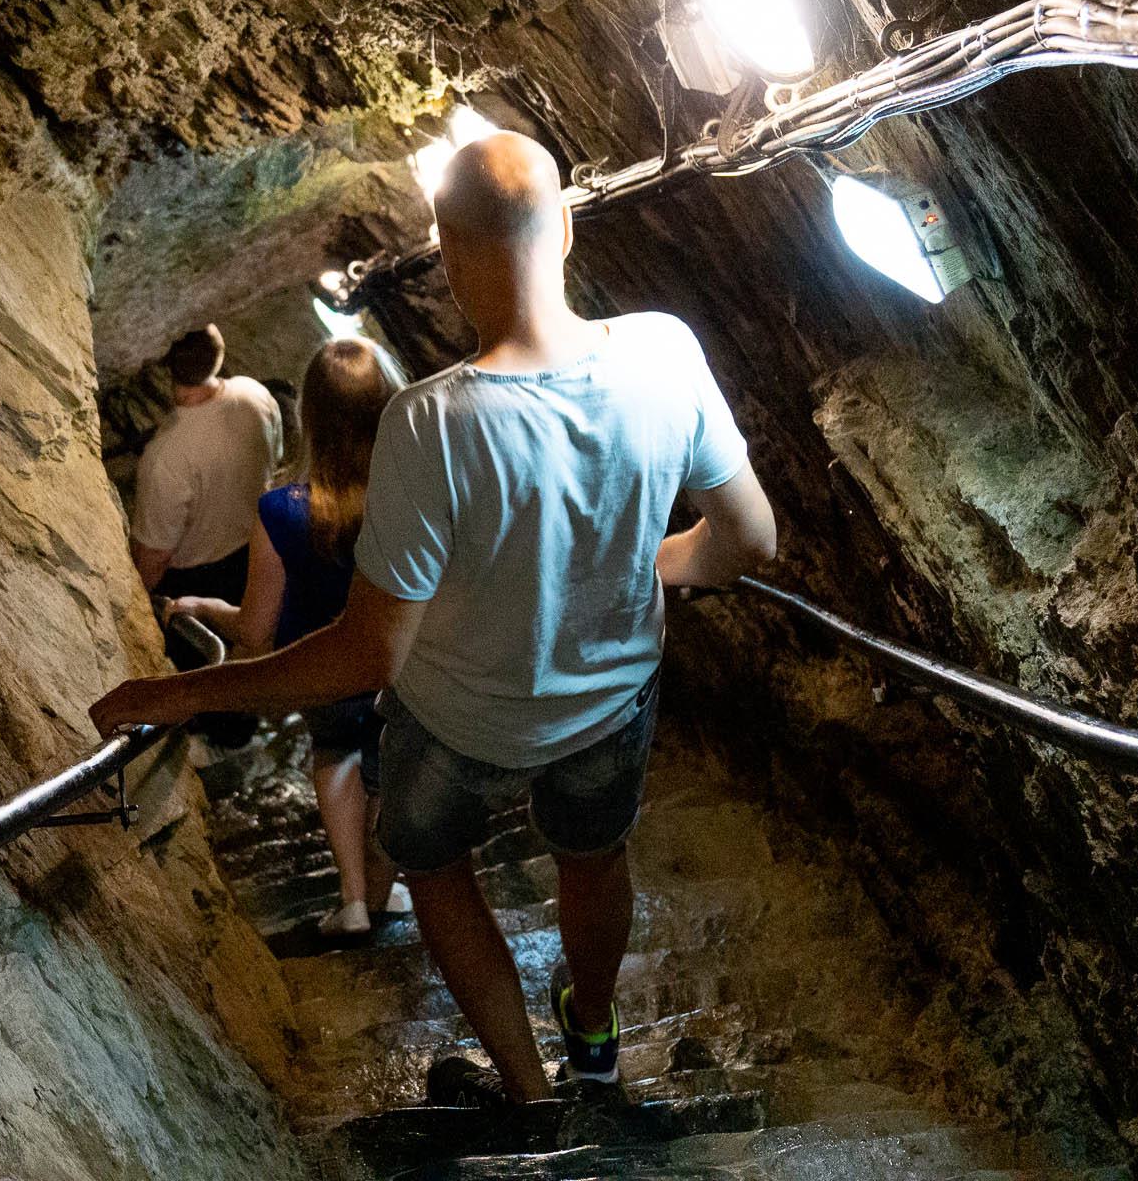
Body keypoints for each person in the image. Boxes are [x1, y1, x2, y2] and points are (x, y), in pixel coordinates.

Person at [91, 132, 776, 1105]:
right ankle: (593, 1034)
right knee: (592, 854)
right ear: (569, 227)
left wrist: (180, 692)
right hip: (611, 705)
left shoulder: (433, 422)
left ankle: (533, 1099)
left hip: (458, 722)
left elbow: (368, 652)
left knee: (439, 869)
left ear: (447, 255)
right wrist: (658, 562)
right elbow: (749, 540)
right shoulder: (665, 353)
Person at [171, 337, 414, 941]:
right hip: (403, 661)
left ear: (310, 420)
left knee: (336, 757)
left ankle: (354, 901)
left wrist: (203, 607)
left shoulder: (281, 511)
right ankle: (386, 893)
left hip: (325, 667)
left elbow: (254, 628)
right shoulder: (415, 489)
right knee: (387, 764)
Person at [130, 324, 282, 747]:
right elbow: (276, 459)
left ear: (168, 367)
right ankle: (240, 731)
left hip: (199, 574)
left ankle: (211, 738)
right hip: (255, 548)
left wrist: (137, 599)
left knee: (204, 663)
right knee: (246, 650)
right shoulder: (254, 394)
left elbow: (154, 557)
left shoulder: (166, 457)